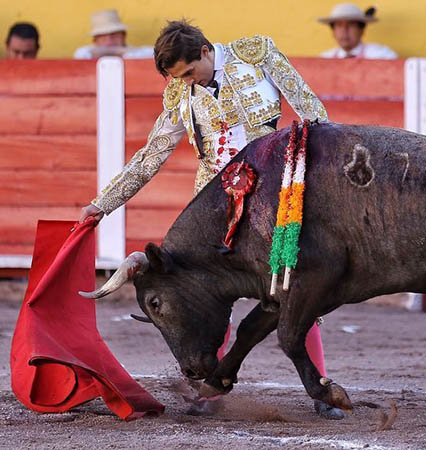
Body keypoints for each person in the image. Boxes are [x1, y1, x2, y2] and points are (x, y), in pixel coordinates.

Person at [78, 20, 341, 419]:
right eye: (177, 78)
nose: (186, 83)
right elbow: (151, 157)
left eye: (188, 73)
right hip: (213, 213)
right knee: (206, 296)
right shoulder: (178, 93)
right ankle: (211, 391)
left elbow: (312, 113)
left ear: (204, 52)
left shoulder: (257, 52)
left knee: (295, 286)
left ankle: (320, 388)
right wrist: (103, 204)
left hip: (273, 199)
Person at [318, 3, 397, 59]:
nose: (344, 30)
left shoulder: (382, 56)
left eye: (351, 24)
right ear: (333, 32)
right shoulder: (324, 59)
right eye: (339, 25)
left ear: (361, 30)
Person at [74, 9, 153, 59]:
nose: (109, 40)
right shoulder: (87, 51)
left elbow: (155, 54)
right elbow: (80, 54)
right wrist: (117, 51)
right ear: (95, 41)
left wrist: (121, 51)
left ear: (123, 36)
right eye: (103, 37)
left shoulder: (134, 51)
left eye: (114, 34)